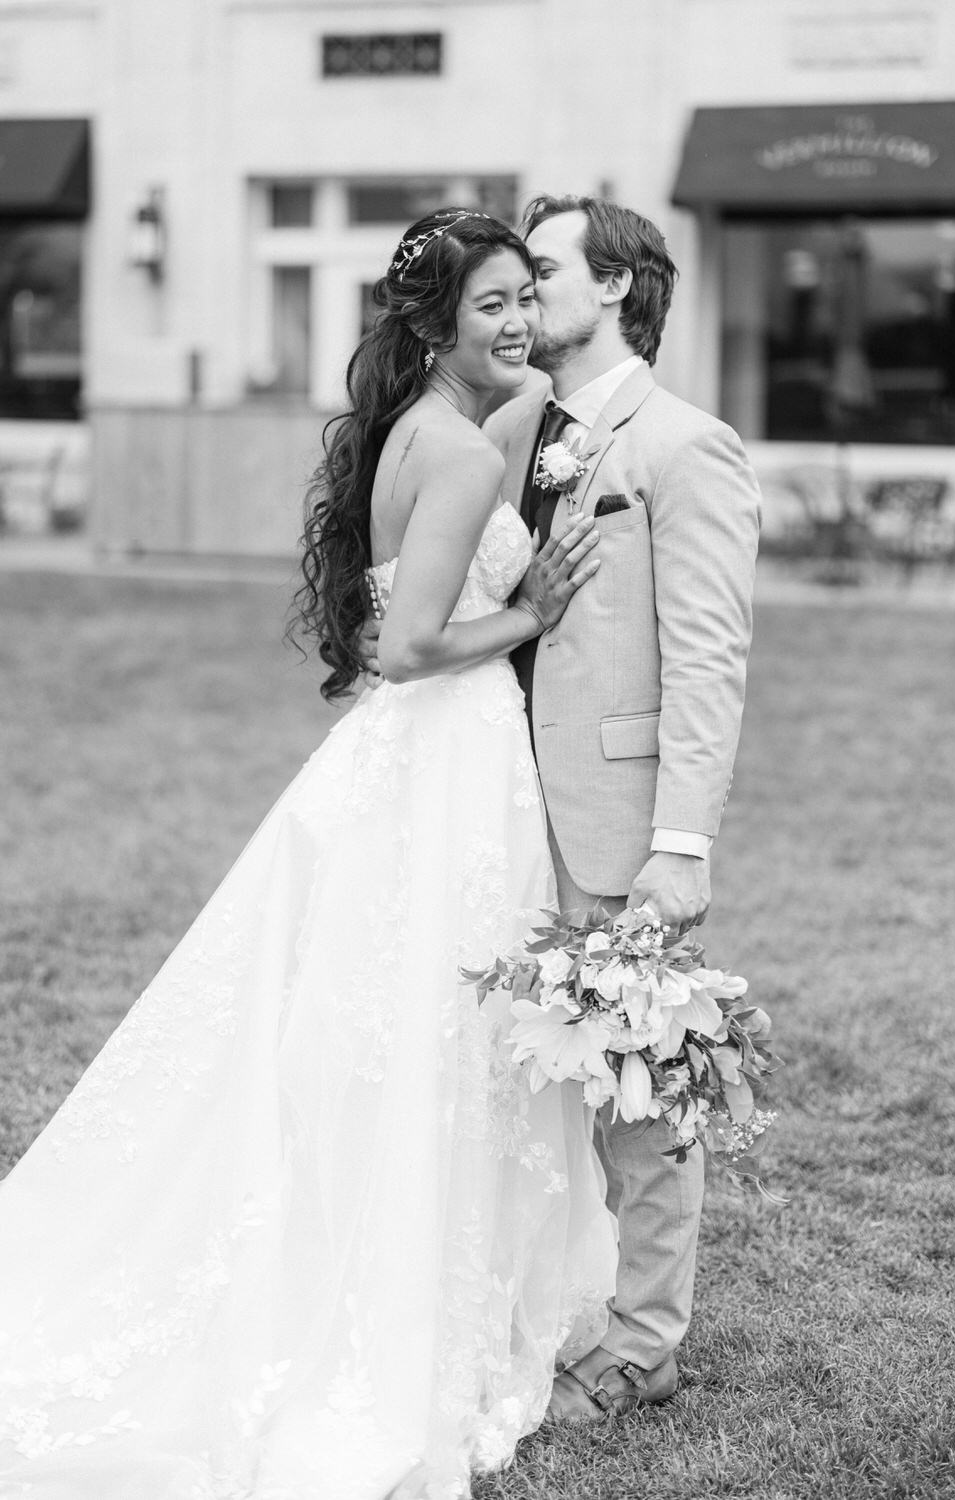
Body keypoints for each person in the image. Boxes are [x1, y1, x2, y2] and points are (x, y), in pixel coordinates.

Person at [0, 209, 616, 1500]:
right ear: (435, 323)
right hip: (444, 751)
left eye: (525, 299)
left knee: (384, 1028)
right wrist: (532, 609)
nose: (517, 323)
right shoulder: (450, 453)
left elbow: (476, 474)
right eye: (492, 305)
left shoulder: (420, 432)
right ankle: (397, 1306)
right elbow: (406, 646)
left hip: (404, 759)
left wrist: (548, 401)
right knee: (432, 1031)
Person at [485, 195, 762, 1421]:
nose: (520, 287)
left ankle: (643, 1345)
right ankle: (544, 1298)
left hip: (615, 820)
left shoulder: (683, 445)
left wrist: (680, 846)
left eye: (539, 269)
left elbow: (707, 659)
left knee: (637, 1089)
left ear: (612, 288)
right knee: (522, 1073)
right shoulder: (516, 433)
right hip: (501, 811)